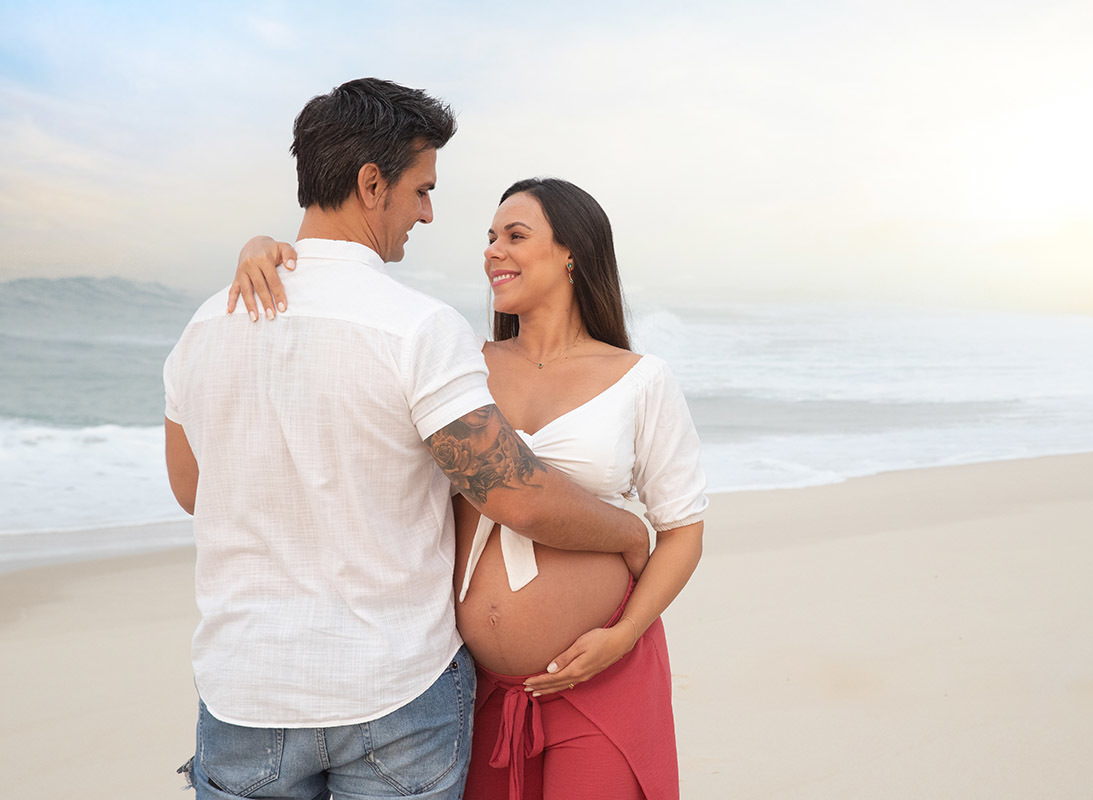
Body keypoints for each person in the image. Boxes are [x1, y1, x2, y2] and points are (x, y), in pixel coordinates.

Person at [163, 78, 650, 800]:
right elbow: (513, 493)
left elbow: (191, 489)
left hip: (247, 690)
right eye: (421, 190)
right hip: (392, 692)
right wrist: (630, 533)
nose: (427, 212)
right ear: (371, 185)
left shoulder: (206, 326)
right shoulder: (416, 328)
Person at [231, 178, 706, 800]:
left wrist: (623, 636)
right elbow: (340, 364)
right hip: (470, 688)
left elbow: (683, 529)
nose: (492, 250)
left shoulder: (641, 379)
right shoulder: (458, 362)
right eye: (490, 237)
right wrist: (267, 253)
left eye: (515, 235)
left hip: (600, 674)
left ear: (573, 252)